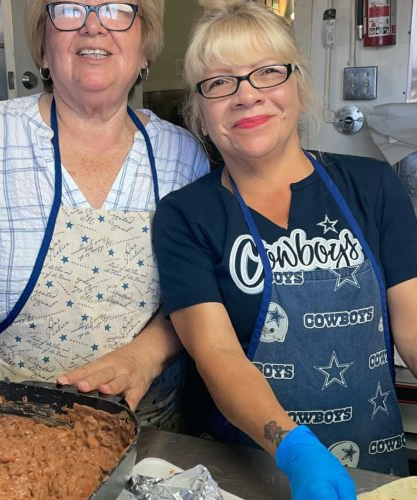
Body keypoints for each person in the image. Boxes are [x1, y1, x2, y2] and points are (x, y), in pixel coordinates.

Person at [153, 0, 417, 496]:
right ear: (200, 113)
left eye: (267, 72)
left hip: (378, 472)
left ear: (297, 88)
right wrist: (295, 449)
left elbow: (414, 321)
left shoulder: (372, 185)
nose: (246, 96)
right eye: (219, 82)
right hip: (246, 473)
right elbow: (217, 354)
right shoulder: (186, 215)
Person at [0, 0, 209, 431]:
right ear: (43, 44)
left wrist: (144, 356)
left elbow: (200, 297)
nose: (93, 27)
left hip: (142, 438)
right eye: (71, 10)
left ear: (145, 47)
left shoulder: (182, 156)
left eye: (116, 10)